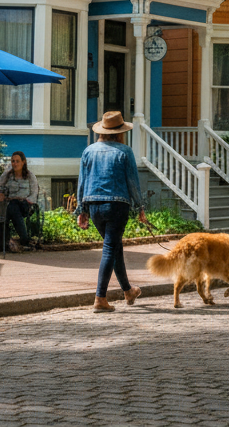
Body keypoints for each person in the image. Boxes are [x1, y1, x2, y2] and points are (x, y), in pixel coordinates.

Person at [75, 111, 148, 312]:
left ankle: (128, 291)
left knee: (115, 247)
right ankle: (100, 298)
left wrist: (82, 209)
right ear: (119, 133)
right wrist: (140, 206)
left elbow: (82, 181)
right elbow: (133, 182)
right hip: (117, 205)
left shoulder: (89, 151)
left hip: (94, 205)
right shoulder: (124, 152)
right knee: (110, 248)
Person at [0, 151, 40, 252]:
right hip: (10, 204)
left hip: (25, 205)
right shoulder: (7, 175)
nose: (14, 163)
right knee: (11, 208)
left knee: (10, 208)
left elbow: (34, 193)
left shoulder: (30, 176)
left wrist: (28, 201)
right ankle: (24, 240)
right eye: (13, 161)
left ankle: (1, 243)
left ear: (23, 162)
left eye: (17, 161)